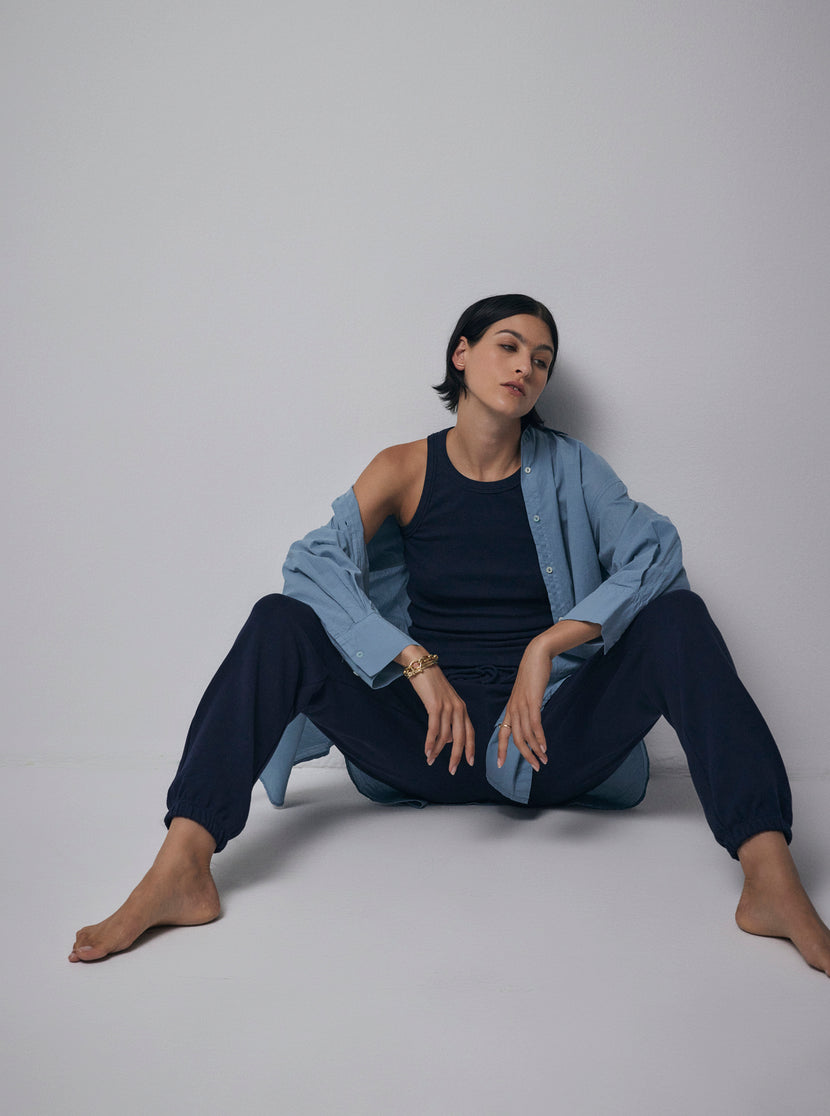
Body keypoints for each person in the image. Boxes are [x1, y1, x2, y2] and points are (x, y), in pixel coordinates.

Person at [69, 295, 830, 975]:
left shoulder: (573, 468)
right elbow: (311, 564)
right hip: (423, 741)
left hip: (545, 742)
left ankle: (767, 874)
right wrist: (415, 662)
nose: (526, 367)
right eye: (508, 345)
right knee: (281, 619)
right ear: (461, 355)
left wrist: (546, 648)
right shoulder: (401, 468)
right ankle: (183, 866)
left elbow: (657, 555)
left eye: (541, 359)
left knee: (678, 618)